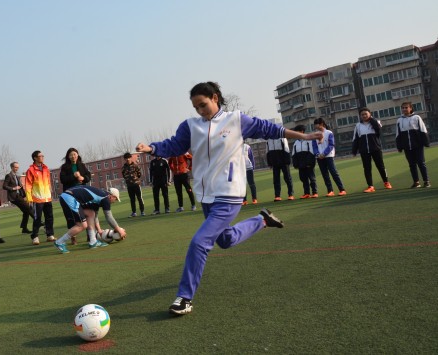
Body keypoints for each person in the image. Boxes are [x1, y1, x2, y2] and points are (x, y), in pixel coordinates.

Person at [135, 82, 322, 315]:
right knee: (224, 240)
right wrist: (151, 148)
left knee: (199, 242)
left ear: (215, 98)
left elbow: (270, 129)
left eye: (203, 105)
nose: (200, 111)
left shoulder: (236, 120)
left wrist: (303, 135)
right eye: (196, 107)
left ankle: (184, 298)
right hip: (206, 196)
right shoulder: (190, 126)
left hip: (230, 194)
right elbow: (173, 145)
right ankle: (262, 221)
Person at [53, 186, 127, 253]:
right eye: (116, 199)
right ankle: (59, 242)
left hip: (70, 196)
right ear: (111, 196)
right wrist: (118, 229)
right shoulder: (105, 198)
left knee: (91, 213)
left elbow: (95, 216)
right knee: (82, 225)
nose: (115, 201)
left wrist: (99, 230)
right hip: (69, 197)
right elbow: (109, 216)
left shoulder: (101, 198)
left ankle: (93, 241)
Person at [352, 107, 393, 192]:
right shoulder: (358, 125)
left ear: (370, 114)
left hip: (376, 148)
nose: (364, 116)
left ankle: (386, 182)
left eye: (365, 114)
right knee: (367, 168)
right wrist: (354, 150)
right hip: (364, 150)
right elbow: (355, 138)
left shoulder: (375, 122)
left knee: (381, 166)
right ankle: (370, 186)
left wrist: (371, 119)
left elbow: (378, 129)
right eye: (362, 114)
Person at [59, 148, 93, 244]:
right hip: (70, 195)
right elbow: (63, 180)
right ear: (68, 156)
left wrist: (83, 178)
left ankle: (90, 235)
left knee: (86, 213)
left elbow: (88, 176)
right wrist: (73, 176)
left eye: (74, 154)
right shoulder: (64, 167)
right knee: (71, 216)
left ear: (77, 155)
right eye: (71, 155)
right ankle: (73, 237)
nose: (73, 156)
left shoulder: (82, 165)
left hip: (82, 193)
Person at [396, 102, 431, 188]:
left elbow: (423, 130)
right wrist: (399, 146)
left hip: (418, 145)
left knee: (421, 163)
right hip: (407, 146)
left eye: (406, 107)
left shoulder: (417, 117)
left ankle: (426, 181)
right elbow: (398, 134)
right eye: (403, 108)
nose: (404, 109)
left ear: (411, 108)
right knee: (412, 164)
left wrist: (426, 142)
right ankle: (416, 182)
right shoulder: (399, 120)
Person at [25, 150, 56, 245]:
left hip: (47, 198)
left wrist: (50, 193)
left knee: (49, 217)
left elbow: (49, 182)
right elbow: (28, 185)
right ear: (35, 158)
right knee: (37, 218)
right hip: (37, 198)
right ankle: (35, 236)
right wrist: (29, 198)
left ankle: (50, 235)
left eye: (43, 155)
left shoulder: (46, 169)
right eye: (40, 156)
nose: (42, 157)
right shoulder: (30, 170)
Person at [312, 117, 347, 197]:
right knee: (325, 174)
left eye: (316, 125)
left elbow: (331, 145)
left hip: (329, 156)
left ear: (322, 124)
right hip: (319, 157)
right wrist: (317, 154)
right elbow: (314, 146)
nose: (315, 127)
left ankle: (342, 189)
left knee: (334, 172)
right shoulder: (315, 134)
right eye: (315, 125)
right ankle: (330, 191)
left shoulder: (329, 133)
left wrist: (324, 153)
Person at [3, 162, 35, 234]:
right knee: (29, 208)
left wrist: (23, 192)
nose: (17, 169)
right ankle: (38, 221)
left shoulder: (16, 176)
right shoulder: (9, 176)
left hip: (19, 196)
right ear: (12, 167)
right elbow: (4, 186)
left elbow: (19, 187)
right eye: (15, 167)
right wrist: (14, 188)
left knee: (26, 211)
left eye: (17, 167)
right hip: (14, 197)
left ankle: (24, 228)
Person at [291, 125, 318, 198]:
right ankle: (307, 193)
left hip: (309, 162)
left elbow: (312, 152)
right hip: (300, 164)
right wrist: (295, 164)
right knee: (303, 178)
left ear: (302, 131)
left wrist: (310, 163)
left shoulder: (309, 140)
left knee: (312, 178)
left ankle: (315, 192)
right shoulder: (296, 142)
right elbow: (294, 154)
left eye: (297, 131)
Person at [122, 152, 145, 217]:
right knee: (132, 199)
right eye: (126, 158)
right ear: (124, 159)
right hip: (129, 186)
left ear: (131, 158)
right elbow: (124, 175)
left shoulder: (135, 165)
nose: (128, 159)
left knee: (139, 198)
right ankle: (134, 212)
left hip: (136, 184)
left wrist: (135, 180)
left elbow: (139, 174)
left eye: (129, 158)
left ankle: (142, 211)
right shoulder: (124, 168)